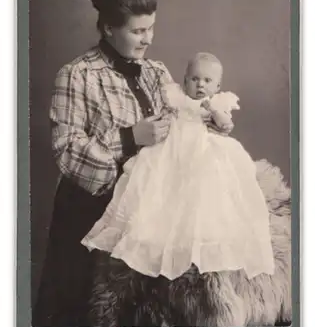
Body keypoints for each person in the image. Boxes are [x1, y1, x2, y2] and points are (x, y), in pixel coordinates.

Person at [32, 0, 230, 327]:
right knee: (84, 318)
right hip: (91, 213)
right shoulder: (77, 75)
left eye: (151, 28)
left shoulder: (157, 73)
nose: (148, 39)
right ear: (109, 28)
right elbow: (66, 151)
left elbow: (183, 122)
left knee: (145, 315)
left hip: (149, 211)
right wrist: (129, 137)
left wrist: (209, 124)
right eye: (138, 31)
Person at [81, 52, 275, 284]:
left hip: (204, 150)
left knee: (208, 192)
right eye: (194, 79)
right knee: (162, 190)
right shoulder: (177, 99)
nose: (200, 84)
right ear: (184, 81)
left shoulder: (215, 103)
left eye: (207, 81)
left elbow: (225, 124)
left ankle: (201, 245)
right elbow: (164, 114)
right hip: (173, 148)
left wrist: (215, 112)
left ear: (217, 86)